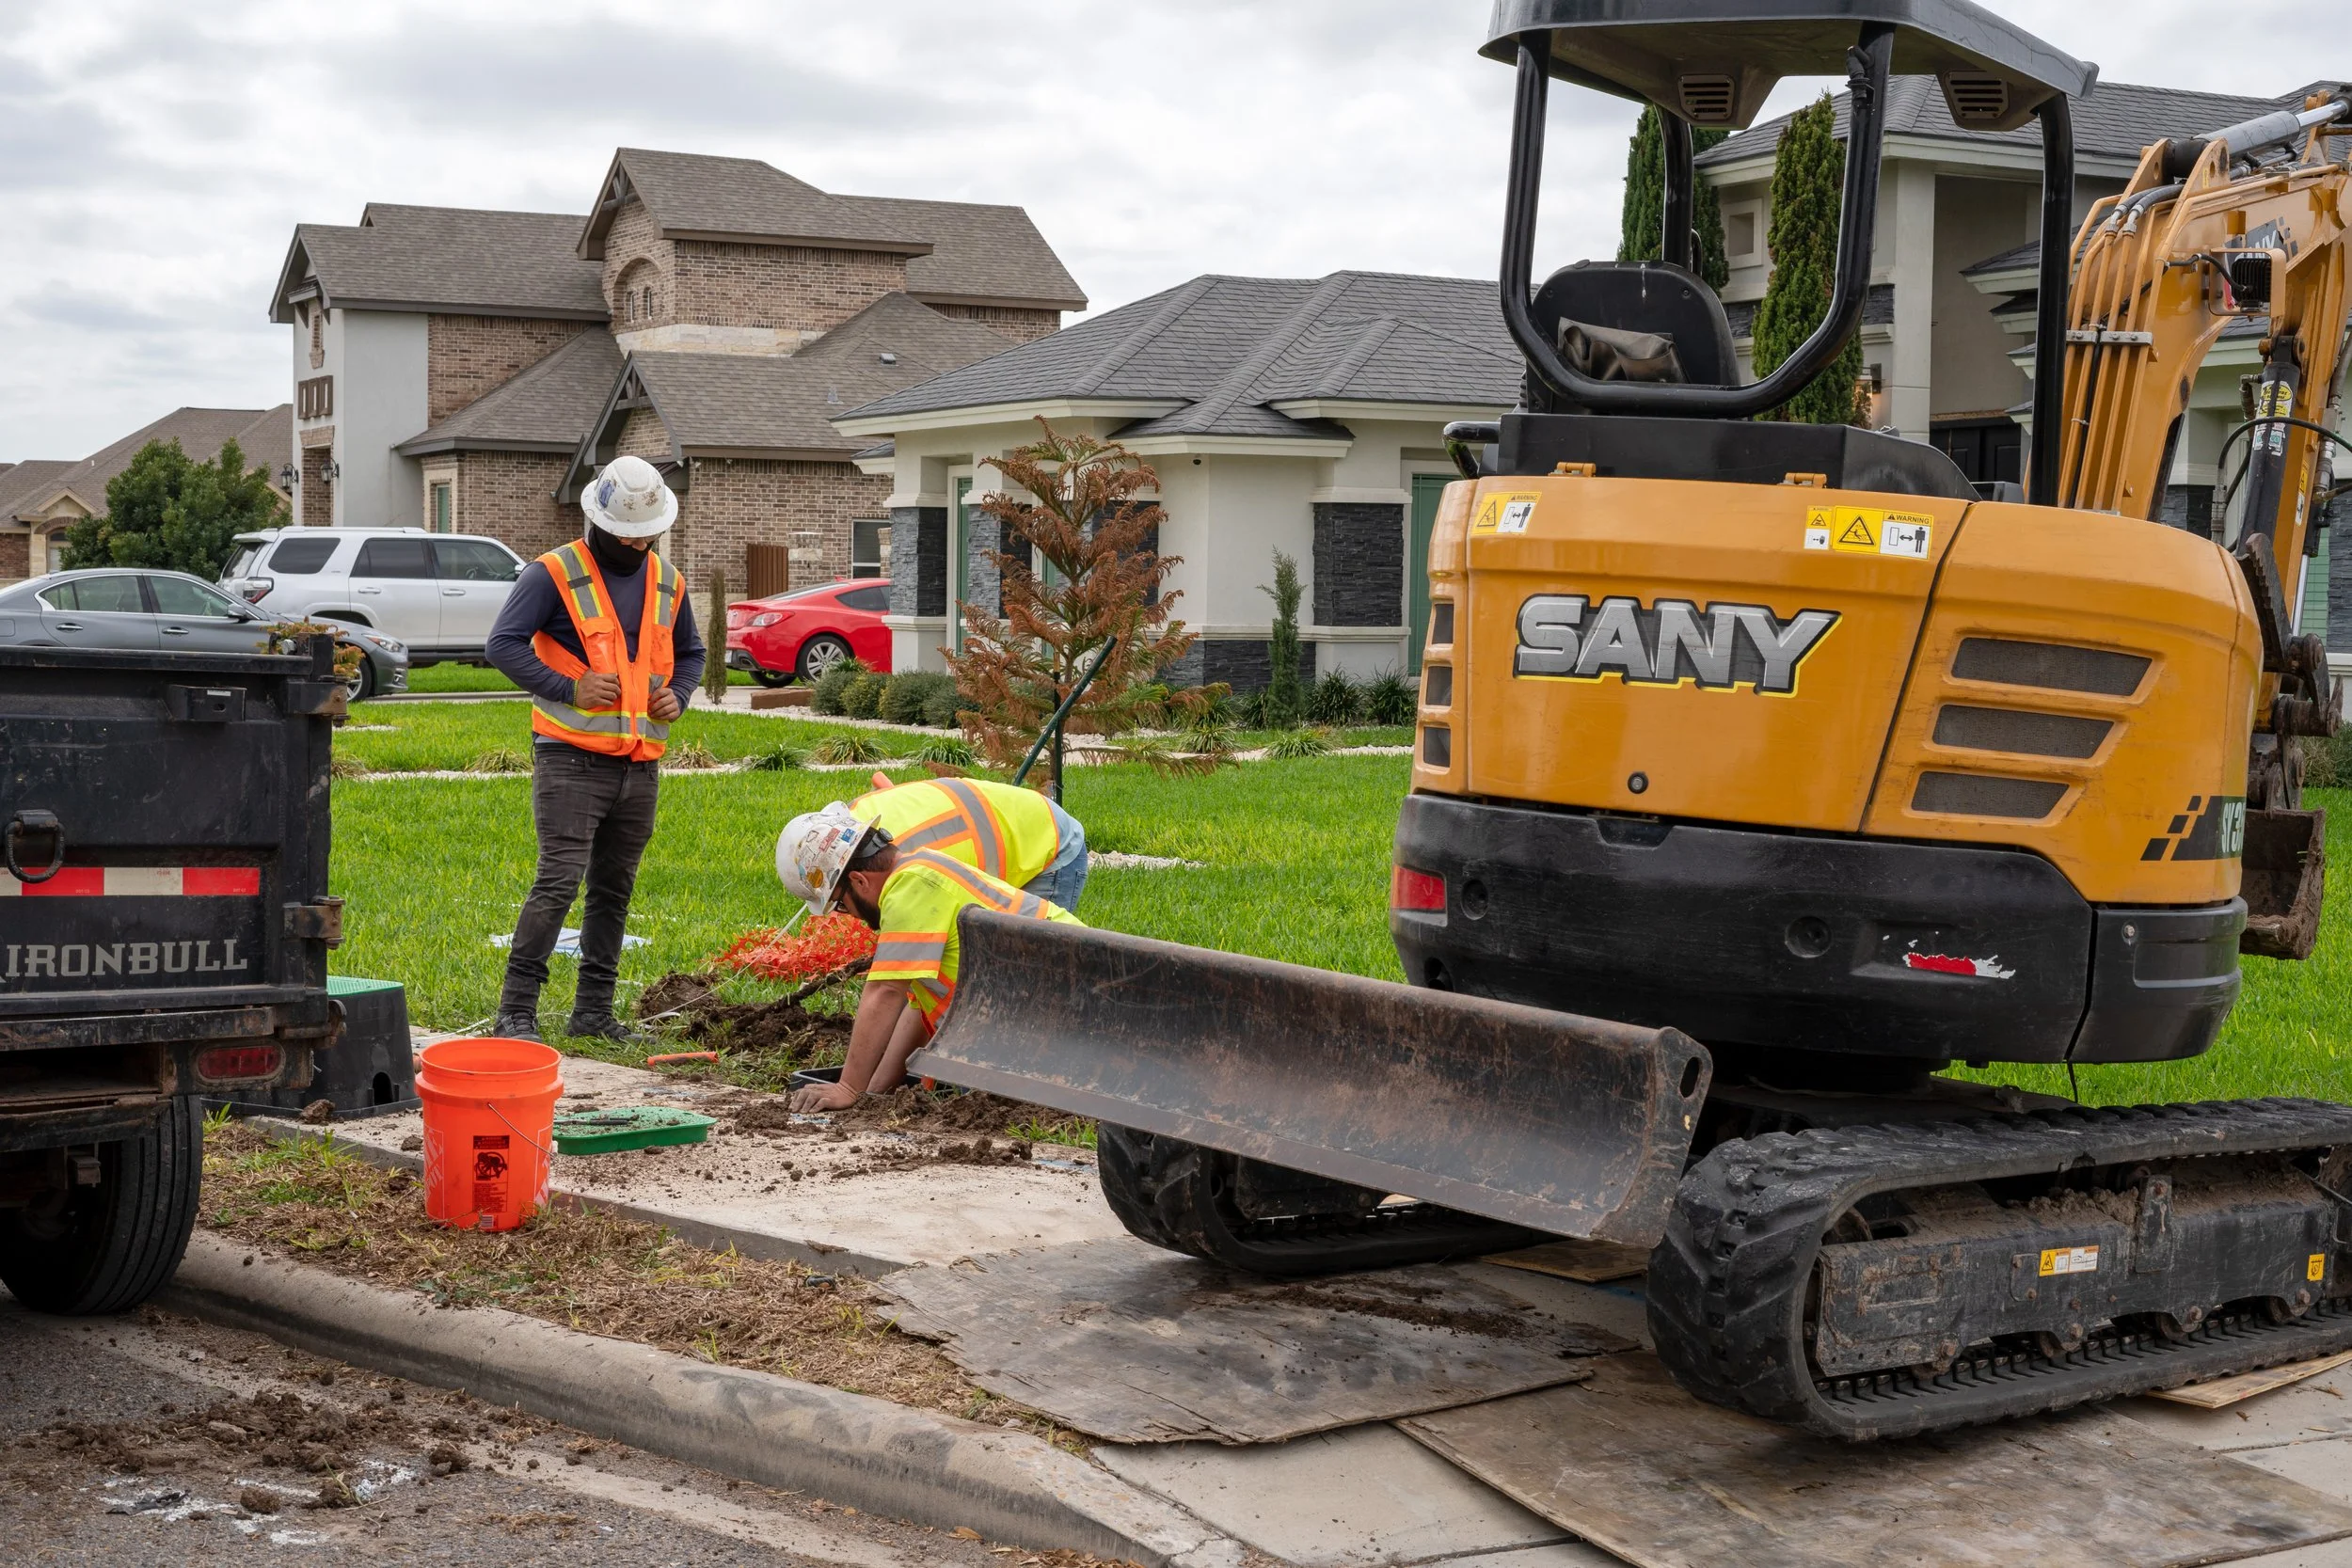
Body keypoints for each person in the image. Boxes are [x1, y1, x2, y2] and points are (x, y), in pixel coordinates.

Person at [485, 455, 706, 1043]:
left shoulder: (668, 581)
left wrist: (680, 694)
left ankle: (593, 1013)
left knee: (614, 890)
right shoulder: (551, 574)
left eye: (647, 533)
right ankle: (516, 1013)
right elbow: (502, 645)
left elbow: (691, 655)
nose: (638, 543)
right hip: (570, 760)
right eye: (628, 533)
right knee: (558, 881)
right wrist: (567, 688)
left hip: (639, 764)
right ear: (599, 520)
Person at [775, 802, 1080, 1112]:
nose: (849, 916)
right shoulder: (922, 871)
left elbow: (884, 992)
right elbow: (916, 1006)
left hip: (1068, 1013)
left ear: (859, 881)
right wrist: (872, 1094)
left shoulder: (911, 887)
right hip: (1057, 1009)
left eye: (841, 905)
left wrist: (849, 1087)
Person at [848, 773, 1089, 912]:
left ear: (858, 879)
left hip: (1050, 843)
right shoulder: (855, 817)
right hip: (1013, 820)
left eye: (840, 905)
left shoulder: (916, 874)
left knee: (1026, 963)